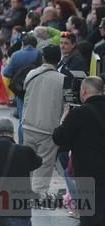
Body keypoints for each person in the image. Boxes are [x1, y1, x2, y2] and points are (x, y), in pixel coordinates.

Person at [53, 76, 105, 225]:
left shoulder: (79, 113)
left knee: (89, 215)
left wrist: (63, 118)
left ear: (84, 91)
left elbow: (59, 138)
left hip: (88, 172)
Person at [21, 45, 68, 198]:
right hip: (48, 128)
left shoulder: (31, 74)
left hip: (28, 124)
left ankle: (25, 190)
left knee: (27, 159)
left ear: (43, 58)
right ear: (59, 59)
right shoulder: (63, 80)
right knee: (45, 162)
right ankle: (38, 192)